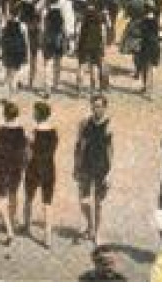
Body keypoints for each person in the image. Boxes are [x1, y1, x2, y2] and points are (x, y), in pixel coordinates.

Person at [0, 100, 29, 245]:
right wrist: (25, 163)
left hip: (2, 166)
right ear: (17, 114)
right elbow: (28, 149)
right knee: (13, 194)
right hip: (16, 166)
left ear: (4, 114)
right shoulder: (23, 130)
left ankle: (9, 229)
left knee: (1, 196)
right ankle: (10, 220)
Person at [73, 93, 113, 245]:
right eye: (94, 106)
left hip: (102, 168)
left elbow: (111, 152)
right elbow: (78, 146)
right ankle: (89, 226)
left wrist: (110, 173)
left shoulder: (109, 126)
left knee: (99, 203)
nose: (96, 109)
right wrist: (76, 166)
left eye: (99, 107)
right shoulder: (84, 124)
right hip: (85, 166)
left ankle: (97, 233)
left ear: (104, 107)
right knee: (83, 201)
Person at [21, 100, 58, 247]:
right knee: (47, 203)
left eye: (34, 111)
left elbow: (28, 153)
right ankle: (47, 236)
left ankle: (26, 226)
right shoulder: (54, 131)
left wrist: (24, 165)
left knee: (29, 199)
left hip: (34, 168)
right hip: (49, 167)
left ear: (38, 114)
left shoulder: (33, 132)